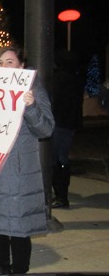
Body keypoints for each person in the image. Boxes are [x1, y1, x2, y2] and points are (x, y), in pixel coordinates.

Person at [0, 46, 55, 275]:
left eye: (9, 62)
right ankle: (1, 266)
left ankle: (19, 269)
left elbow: (46, 129)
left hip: (17, 169)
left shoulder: (33, 88)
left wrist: (31, 106)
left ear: (21, 66)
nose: (4, 67)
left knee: (18, 223)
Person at [51, 49, 85, 209]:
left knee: (56, 159)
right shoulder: (77, 78)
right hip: (70, 123)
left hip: (58, 122)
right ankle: (61, 194)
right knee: (62, 158)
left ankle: (60, 195)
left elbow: (54, 100)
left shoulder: (58, 79)